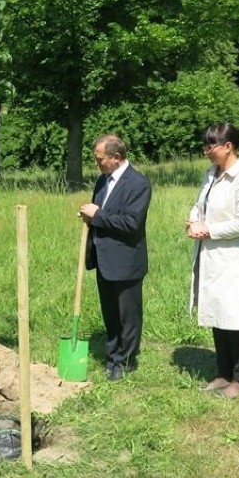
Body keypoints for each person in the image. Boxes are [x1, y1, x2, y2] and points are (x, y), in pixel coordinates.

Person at [186, 122, 239, 399]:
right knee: (218, 312)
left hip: (236, 259)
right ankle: (224, 372)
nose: (206, 151)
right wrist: (194, 219)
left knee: (237, 317)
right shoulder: (211, 174)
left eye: (210, 146)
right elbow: (200, 203)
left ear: (228, 146)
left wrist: (207, 230)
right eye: (205, 146)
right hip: (213, 256)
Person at [79, 135, 152, 382]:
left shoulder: (138, 184)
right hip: (104, 260)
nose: (96, 163)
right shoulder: (102, 181)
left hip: (127, 262)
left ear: (116, 158)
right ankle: (113, 357)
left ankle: (127, 361)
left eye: (100, 159)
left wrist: (97, 215)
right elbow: (100, 214)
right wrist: (90, 217)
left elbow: (132, 223)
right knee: (110, 314)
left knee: (127, 316)